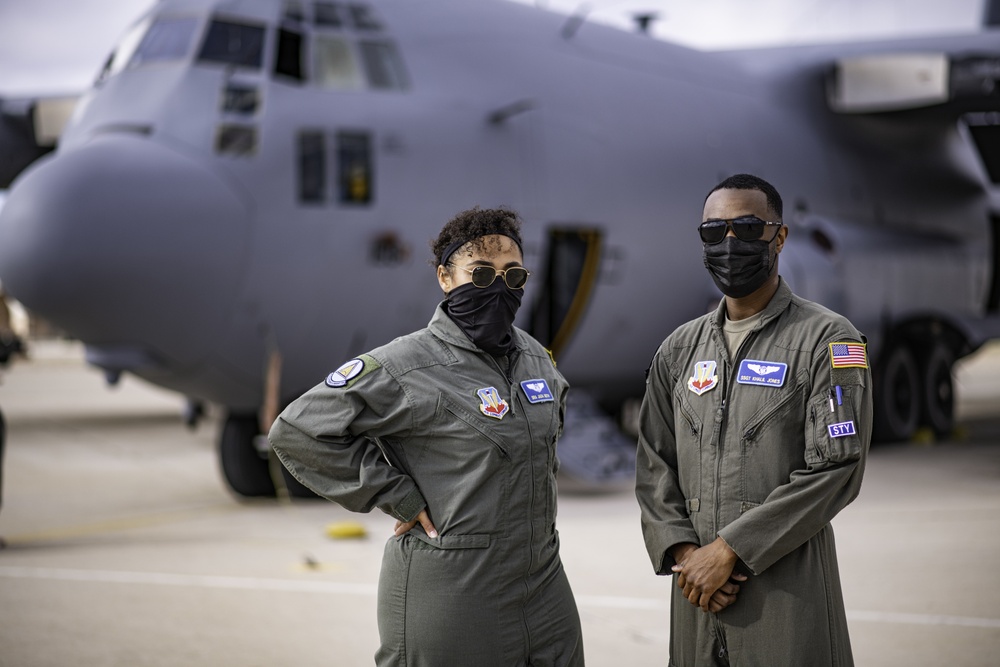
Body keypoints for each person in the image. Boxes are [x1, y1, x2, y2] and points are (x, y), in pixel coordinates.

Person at [269, 207, 584, 666]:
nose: (498, 286)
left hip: (543, 581)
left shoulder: (536, 357)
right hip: (456, 585)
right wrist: (395, 493)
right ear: (444, 277)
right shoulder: (406, 364)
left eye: (512, 275)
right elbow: (298, 430)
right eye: (480, 274)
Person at [635, 174, 872, 666]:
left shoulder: (829, 341)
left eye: (746, 229)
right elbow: (655, 462)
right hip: (698, 595)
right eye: (712, 232)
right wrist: (687, 558)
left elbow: (836, 469)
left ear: (778, 237)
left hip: (784, 593)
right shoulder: (679, 350)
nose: (729, 244)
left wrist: (729, 551)